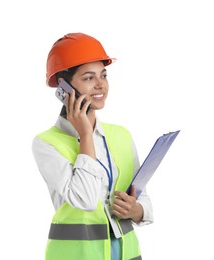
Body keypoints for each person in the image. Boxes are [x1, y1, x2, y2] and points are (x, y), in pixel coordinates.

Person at [32, 32, 154, 260]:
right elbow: (85, 201)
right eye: (88, 78)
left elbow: (143, 198)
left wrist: (136, 210)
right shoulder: (46, 143)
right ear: (63, 86)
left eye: (103, 75)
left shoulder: (121, 135)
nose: (101, 85)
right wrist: (85, 136)